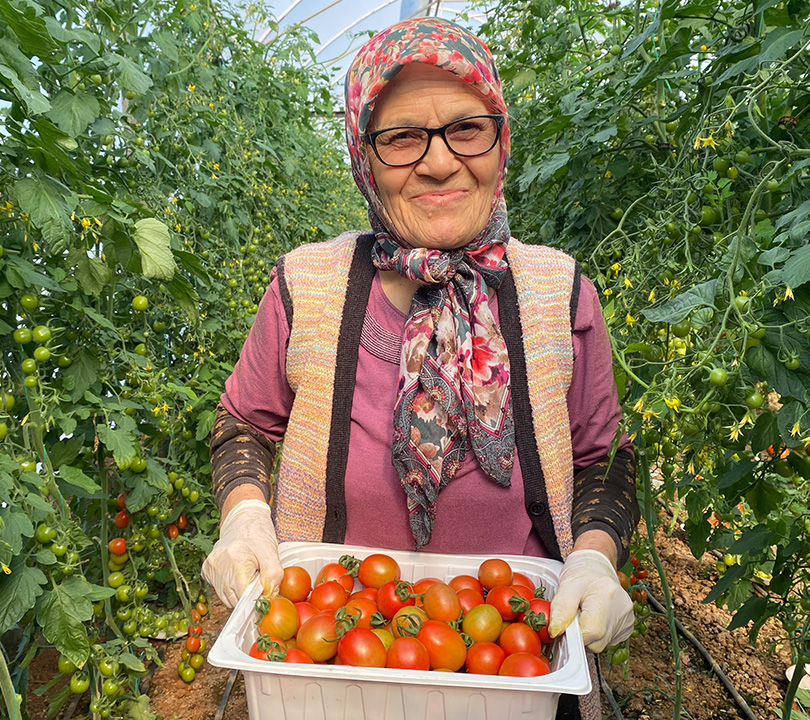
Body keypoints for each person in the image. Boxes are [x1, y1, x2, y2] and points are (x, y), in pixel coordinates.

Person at [202, 16, 639, 719]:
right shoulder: (304, 286)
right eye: (402, 137)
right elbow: (242, 423)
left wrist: (594, 556)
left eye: (468, 128)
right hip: (333, 664)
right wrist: (245, 515)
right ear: (363, 156)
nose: (439, 163)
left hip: (516, 663)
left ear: (501, 140)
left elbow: (605, 457)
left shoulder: (560, 293)